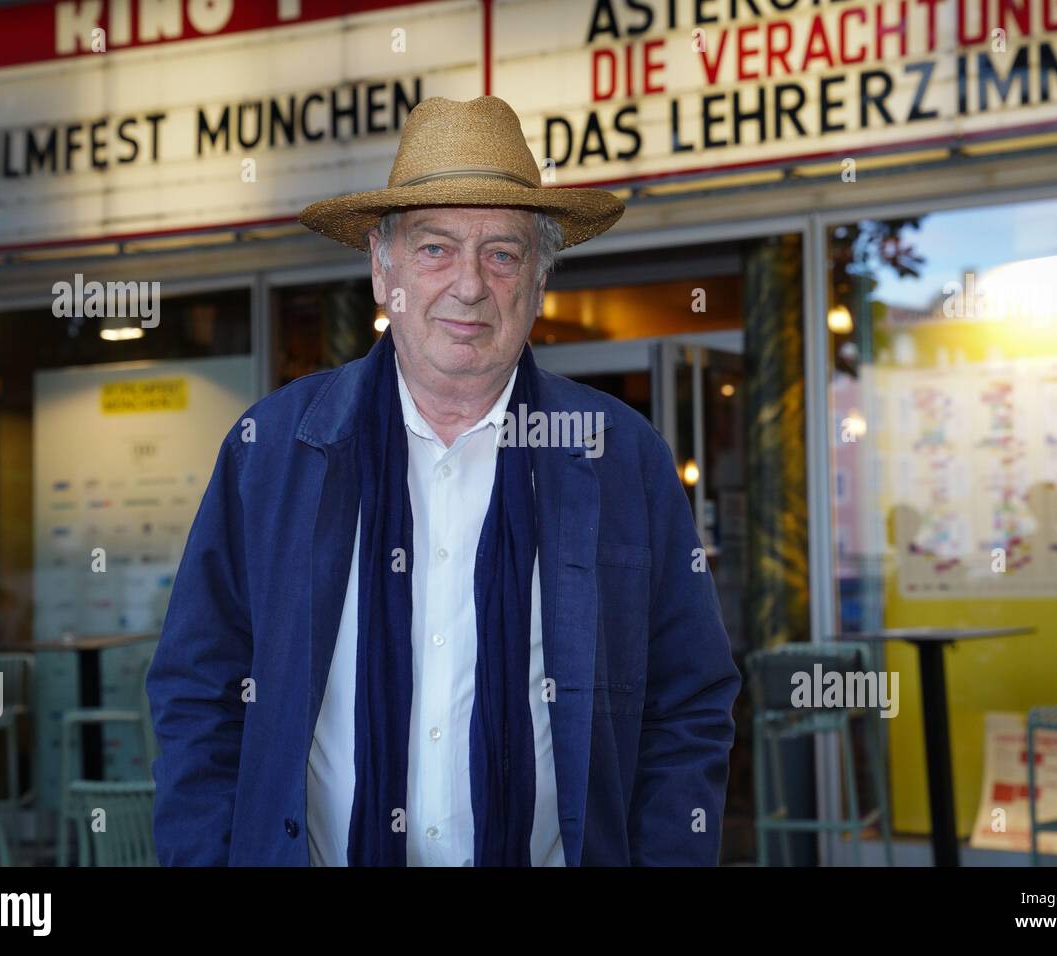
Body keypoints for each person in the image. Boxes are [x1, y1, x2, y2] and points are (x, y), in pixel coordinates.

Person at [146, 95, 741, 866]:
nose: (468, 285)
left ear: (537, 281)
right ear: (379, 267)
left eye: (502, 253)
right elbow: (199, 693)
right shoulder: (273, 450)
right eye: (434, 248)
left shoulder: (620, 456)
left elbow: (688, 703)